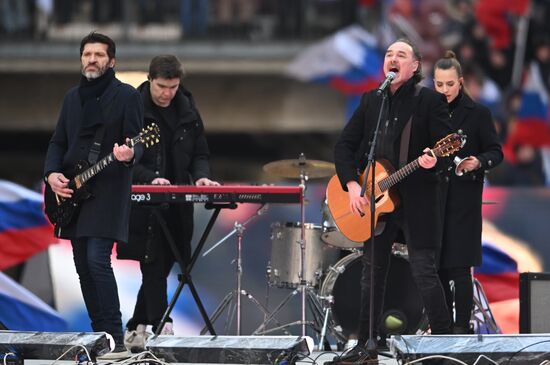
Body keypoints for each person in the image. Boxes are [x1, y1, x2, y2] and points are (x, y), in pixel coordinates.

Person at [329, 38, 453, 363]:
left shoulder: (428, 101)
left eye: (401, 55)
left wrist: (434, 159)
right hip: (375, 202)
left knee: (425, 271)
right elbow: (344, 147)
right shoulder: (372, 100)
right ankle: (366, 345)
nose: (392, 59)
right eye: (388, 54)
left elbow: (447, 145)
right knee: (371, 273)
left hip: (416, 198)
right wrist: (353, 186)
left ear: (414, 67)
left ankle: (445, 344)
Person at [43, 32, 144, 357]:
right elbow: (58, 141)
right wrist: (52, 174)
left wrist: (132, 153)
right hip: (73, 193)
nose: (92, 60)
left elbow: (139, 139)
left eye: (99, 55)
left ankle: (115, 335)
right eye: (87, 54)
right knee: (82, 265)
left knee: (96, 260)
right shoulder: (72, 98)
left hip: (108, 191)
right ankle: (100, 332)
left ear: (111, 61)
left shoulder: (126, 95)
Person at [116, 55, 219, 352]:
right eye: (162, 86)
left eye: (173, 87)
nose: (168, 93)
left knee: (167, 262)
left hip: (178, 202)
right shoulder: (132, 109)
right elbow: (125, 159)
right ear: (150, 80)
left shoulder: (188, 108)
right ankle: (162, 325)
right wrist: (150, 178)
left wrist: (201, 178)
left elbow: (200, 152)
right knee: (153, 260)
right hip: (144, 204)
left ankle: (136, 325)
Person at [434, 51, 503, 333]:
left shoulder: (478, 114)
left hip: (464, 200)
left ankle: (461, 329)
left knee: (460, 270)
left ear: (460, 82)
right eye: (439, 84)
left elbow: (496, 152)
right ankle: (440, 329)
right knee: (434, 270)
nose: (445, 90)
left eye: (450, 84)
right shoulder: (428, 111)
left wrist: (477, 161)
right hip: (434, 200)